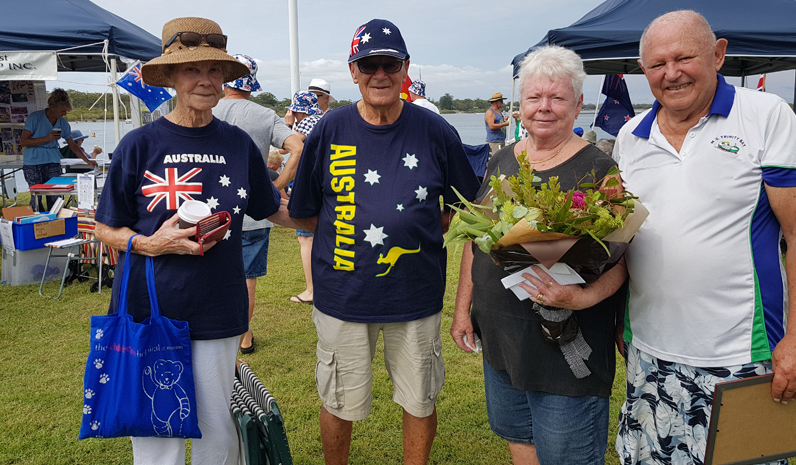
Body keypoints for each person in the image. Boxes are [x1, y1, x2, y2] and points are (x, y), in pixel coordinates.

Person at [520, 10, 796, 465]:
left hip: (739, 356)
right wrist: (581, 292)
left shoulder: (766, 117)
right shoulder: (630, 136)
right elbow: (625, 241)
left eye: (684, 57)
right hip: (648, 351)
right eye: (656, 64)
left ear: (718, 54)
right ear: (643, 69)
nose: (671, 73)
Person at [93, 17, 313, 465]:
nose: (206, 80)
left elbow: (273, 208)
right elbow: (103, 228)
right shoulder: (139, 144)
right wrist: (151, 244)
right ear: (171, 76)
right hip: (149, 309)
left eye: (215, 71)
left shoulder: (237, 143)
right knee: (158, 436)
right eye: (193, 70)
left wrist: (340, 216)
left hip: (218, 306)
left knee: (219, 435)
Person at [288, 18, 480, 465]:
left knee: (419, 400)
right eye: (368, 64)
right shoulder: (329, 129)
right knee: (339, 400)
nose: (380, 74)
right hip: (343, 296)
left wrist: (418, 229)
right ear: (353, 71)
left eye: (389, 64)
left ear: (405, 68)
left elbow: (463, 206)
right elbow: (306, 212)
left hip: (415, 295)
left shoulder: (435, 131)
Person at [451, 45, 625, 465]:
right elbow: (478, 240)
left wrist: (581, 298)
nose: (544, 108)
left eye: (557, 98)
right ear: (520, 104)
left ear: (578, 104)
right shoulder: (504, 160)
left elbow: (622, 260)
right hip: (502, 340)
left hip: (565, 351)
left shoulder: (601, 171)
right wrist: (463, 310)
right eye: (534, 97)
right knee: (519, 439)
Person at [212, 53, 304, 354]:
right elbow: (297, 147)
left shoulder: (205, 107)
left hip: (209, 213)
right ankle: (244, 336)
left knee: (210, 275)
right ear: (251, 84)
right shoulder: (264, 115)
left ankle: (215, 334)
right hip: (253, 214)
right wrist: (274, 188)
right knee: (247, 279)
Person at [19, 89, 97, 211]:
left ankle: (56, 222)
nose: (65, 113)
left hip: (52, 161)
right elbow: (23, 141)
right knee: (36, 198)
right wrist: (46, 138)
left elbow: (73, 145)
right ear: (52, 107)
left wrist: (88, 160)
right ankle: (37, 223)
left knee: (55, 195)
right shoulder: (35, 117)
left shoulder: (63, 123)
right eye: (63, 111)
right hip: (33, 162)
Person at [287, 90, 324, 305]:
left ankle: (311, 290)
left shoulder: (305, 123)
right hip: (326, 184)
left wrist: (289, 124)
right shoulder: (324, 119)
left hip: (309, 185)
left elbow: (289, 148)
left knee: (306, 238)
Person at [485, 92, 510, 156]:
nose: (502, 103)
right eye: (501, 101)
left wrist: (505, 119)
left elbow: (498, 121)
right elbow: (491, 126)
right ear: (496, 102)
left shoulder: (498, 111)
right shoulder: (490, 112)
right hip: (494, 141)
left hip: (501, 140)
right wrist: (505, 124)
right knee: (495, 160)